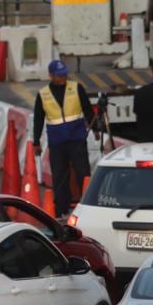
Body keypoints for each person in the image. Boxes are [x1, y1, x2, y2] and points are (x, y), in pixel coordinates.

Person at [32, 59, 97, 212]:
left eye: (64, 75)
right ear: (51, 75)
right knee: (59, 176)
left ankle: (86, 206)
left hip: (77, 138)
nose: (62, 78)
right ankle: (61, 207)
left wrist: (96, 129)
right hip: (57, 141)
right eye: (59, 76)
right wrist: (36, 141)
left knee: (83, 172)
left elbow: (88, 109)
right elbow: (38, 119)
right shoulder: (43, 94)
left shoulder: (76, 88)